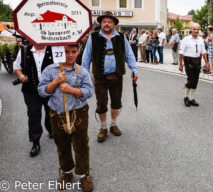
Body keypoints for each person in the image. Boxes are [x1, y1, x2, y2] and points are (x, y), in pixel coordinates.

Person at [38, 45, 94, 191]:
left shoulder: (82, 71)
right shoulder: (50, 70)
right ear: (59, 52)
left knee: (81, 145)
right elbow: (42, 91)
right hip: (57, 113)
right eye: (66, 51)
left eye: (73, 52)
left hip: (79, 112)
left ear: (78, 52)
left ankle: (83, 174)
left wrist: (71, 90)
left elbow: (89, 91)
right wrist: (55, 81)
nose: (70, 55)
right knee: (62, 145)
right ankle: (67, 172)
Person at [82, 11, 138, 142]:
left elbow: (129, 55)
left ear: (113, 24)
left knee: (116, 101)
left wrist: (134, 69)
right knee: (101, 102)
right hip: (100, 76)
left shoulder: (121, 37)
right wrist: (84, 75)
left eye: (109, 22)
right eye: (104, 22)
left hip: (117, 75)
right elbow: (86, 57)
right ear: (101, 23)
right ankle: (103, 128)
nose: (107, 24)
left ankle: (113, 124)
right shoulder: (93, 37)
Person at [13, 43, 54, 157]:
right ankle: (35, 142)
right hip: (30, 90)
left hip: (49, 89)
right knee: (34, 115)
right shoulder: (25, 50)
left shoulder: (53, 49)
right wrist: (20, 75)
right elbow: (17, 66)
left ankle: (50, 129)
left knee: (50, 111)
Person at [179, 23, 209, 107]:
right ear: (191, 30)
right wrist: (180, 64)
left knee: (196, 80)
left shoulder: (201, 39)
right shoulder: (186, 39)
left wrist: (206, 62)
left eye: (198, 29)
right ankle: (186, 97)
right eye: (194, 29)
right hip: (188, 60)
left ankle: (192, 98)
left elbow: (203, 51)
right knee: (191, 79)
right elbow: (181, 53)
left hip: (198, 61)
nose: (196, 31)